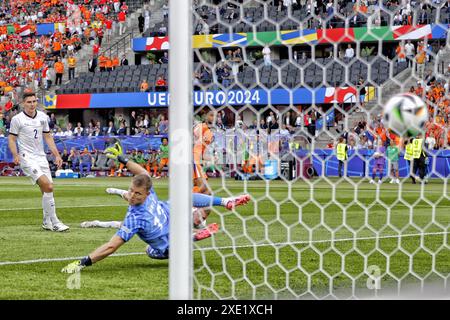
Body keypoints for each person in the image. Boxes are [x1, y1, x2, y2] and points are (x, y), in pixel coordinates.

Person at [61, 142, 250, 273]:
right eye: (131, 191)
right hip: (172, 218)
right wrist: (122, 158)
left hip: (167, 245)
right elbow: (143, 172)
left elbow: (111, 246)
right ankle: (222, 204)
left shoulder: (134, 218)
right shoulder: (150, 193)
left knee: (151, 251)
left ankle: (190, 236)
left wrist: (81, 263)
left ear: (147, 194)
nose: (133, 196)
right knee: (182, 198)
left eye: (137, 194)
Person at [8, 90, 69, 232]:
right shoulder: (17, 119)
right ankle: (55, 222)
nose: (32, 104)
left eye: (34, 101)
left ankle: (46, 222)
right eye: (29, 102)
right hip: (27, 157)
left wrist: (56, 155)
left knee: (46, 190)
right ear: (23, 104)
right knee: (48, 186)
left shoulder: (42, 117)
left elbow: (47, 137)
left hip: (41, 157)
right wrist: (15, 154)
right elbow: (11, 139)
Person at [193, 111, 215, 195]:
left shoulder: (210, 131)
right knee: (205, 190)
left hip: (197, 160)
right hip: (194, 160)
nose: (214, 117)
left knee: (207, 193)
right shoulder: (201, 127)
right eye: (211, 115)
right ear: (205, 116)